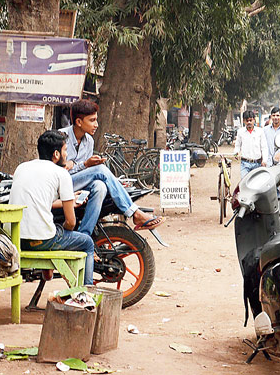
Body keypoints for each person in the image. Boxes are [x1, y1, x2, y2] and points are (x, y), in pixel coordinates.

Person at [59, 100, 164, 234]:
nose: (96, 125)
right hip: (63, 185)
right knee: (101, 170)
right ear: (79, 122)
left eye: (96, 120)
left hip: (79, 185)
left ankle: (85, 237)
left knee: (100, 186)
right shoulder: (61, 137)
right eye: (92, 120)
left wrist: (87, 165)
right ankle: (135, 213)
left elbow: (85, 171)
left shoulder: (89, 141)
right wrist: (85, 165)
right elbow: (58, 172)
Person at [9, 130, 95, 285]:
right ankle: (87, 292)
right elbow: (71, 222)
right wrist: (62, 228)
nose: (67, 155)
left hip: (15, 239)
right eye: (65, 151)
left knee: (47, 226)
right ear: (56, 154)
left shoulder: (21, 167)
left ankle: (47, 271)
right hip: (42, 241)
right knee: (87, 243)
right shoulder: (61, 174)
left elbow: (38, 201)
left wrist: (67, 201)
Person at [234, 110, 268, 178]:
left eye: (250, 120)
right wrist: (236, 152)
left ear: (254, 120)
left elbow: (264, 147)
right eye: (247, 121)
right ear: (243, 121)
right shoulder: (240, 132)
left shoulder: (260, 131)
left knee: (256, 185)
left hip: (257, 164)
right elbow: (237, 145)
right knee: (244, 184)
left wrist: (264, 160)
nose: (249, 122)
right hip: (245, 164)